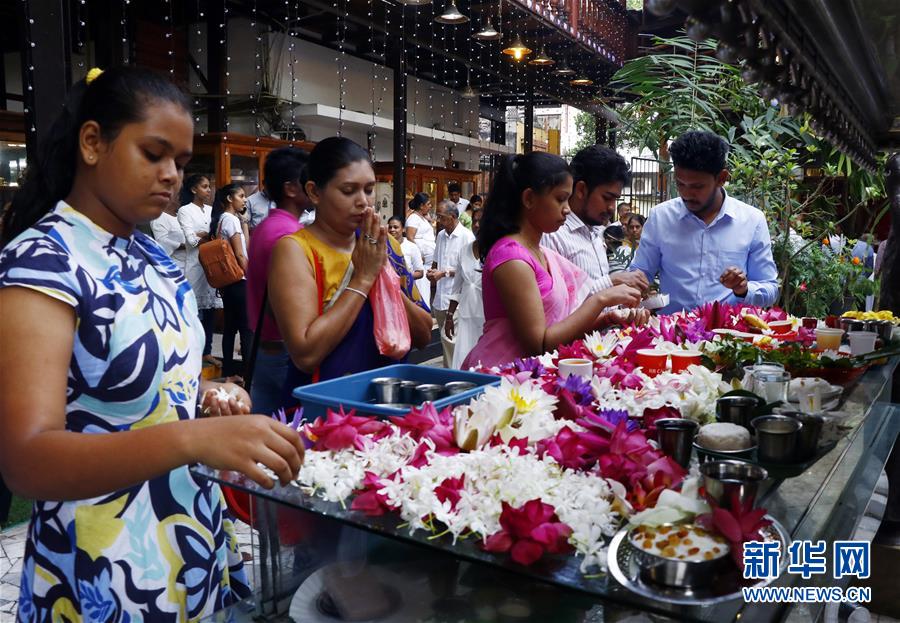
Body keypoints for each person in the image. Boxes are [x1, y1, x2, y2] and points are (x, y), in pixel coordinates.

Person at [0, 65, 304, 621]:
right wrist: (192, 439)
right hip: (105, 565)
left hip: (188, 537)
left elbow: (154, 387)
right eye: (153, 153)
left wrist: (209, 396)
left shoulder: (154, 258)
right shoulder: (43, 262)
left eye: (182, 163)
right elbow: (27, 460)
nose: (171, 176)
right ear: (93, 142)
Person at [268, 137, 432, 409]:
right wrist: (364, 279)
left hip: (387, 403)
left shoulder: (385, 245)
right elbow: (306, 354)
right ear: (314, 192)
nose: (363, 202)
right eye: (348, 191)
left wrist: (383, 279)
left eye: (369, 190)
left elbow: (424, 335)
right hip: (324, 414)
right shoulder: (295, 251)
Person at [462, 152, 642, 370]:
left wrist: (606, 319)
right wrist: (601, 299)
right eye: (560, 199)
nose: (567, 209)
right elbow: (540, 343)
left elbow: (560, 327)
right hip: (502, 375)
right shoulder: (511, 259)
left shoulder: (541, 253)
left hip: (530, 375)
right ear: (529, 198)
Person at [630, 130, 779, 314]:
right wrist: (635, 289)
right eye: (680, 184)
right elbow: (639, 274)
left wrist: (744, 289)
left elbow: (770, 289)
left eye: (697, 186)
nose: (686, 194)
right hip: (671, 337)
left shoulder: (752, 220)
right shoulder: (660, 217)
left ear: (722, 178)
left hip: (728, 337)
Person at [245, 147, 310, 417]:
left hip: (265, 343)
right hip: (282, 349)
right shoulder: (288, 234)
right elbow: (281, 304)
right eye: (310, 180)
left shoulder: (266, 227)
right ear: (291, 188)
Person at [542, 145, 650, 296]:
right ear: (581, 190)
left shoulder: (597, 231)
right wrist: (613, 281)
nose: (612, 208)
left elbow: (600, 301)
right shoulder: (553, 236)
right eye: (607, 198)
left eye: (615, 200)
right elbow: (559, 305)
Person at [177, 173, 223, 366]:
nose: (208, 189)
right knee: (195, 312)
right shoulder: (185, 211)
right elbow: (191, 240)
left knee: (211, 311)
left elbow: (218, 236)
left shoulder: (212, 210)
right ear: (194, 189)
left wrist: (204, 235)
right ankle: (192, 352)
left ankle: (207, 352)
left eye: (209, 186)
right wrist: (206, 235)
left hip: (213, 265)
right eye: (204, 186)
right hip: (195, 265)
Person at [210, 182, 252, 378]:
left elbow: (245, 247)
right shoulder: (230, 220)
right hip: (239, 280)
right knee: (245, 328)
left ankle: (228, 371)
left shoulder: (224, 220)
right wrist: (251, 277)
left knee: (230, 328)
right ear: (229, 199)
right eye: (241, 196)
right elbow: (241, 254)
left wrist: (244, 222)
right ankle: (247, 373)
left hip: (229, 283)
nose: (245, 199)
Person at [428, 201, 475, 368]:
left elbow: (469, 271)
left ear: (453, 217)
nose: (438, 220)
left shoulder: (467, 237)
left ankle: (453, 377)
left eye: (441, 217)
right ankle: (451, 374)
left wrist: (445, 272)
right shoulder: (441, 235)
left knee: (451, 340)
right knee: (446, 342)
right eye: (438, 216)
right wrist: (432, 273)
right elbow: (435, 260)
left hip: (457, 299)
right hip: (440, 297)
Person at [445, 207, 484, 369]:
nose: (476, 225)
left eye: (480, 221)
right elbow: (457, 287)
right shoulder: (464, 250)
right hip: (466, 316)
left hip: (487, 319)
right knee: (464, 361)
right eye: (474, 221)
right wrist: (449, 316)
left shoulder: (496, 249)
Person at [388, 216, 427, 303]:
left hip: (406, 292)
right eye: (390, 227)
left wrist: (403, 277)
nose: (392, 230)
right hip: (387, 291)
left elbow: (420, 272)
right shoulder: (383, 246)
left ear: (403, 229)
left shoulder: (411, 247)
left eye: (395, 227)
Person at [150, 193, 187, 268]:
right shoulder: (159, 217)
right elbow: (162, 241)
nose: (180, 198)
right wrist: (185, 246)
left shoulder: (180, 215)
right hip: (176, 264)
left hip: (190, 261)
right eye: (177, 195)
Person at [405, 191, 436, 271]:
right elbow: (409, 238)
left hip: (428, 260)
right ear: (421, 206)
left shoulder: (422, 218)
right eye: (428, 204)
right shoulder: (413, 218)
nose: (430, 206)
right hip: (421, 260)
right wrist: (418, 255)